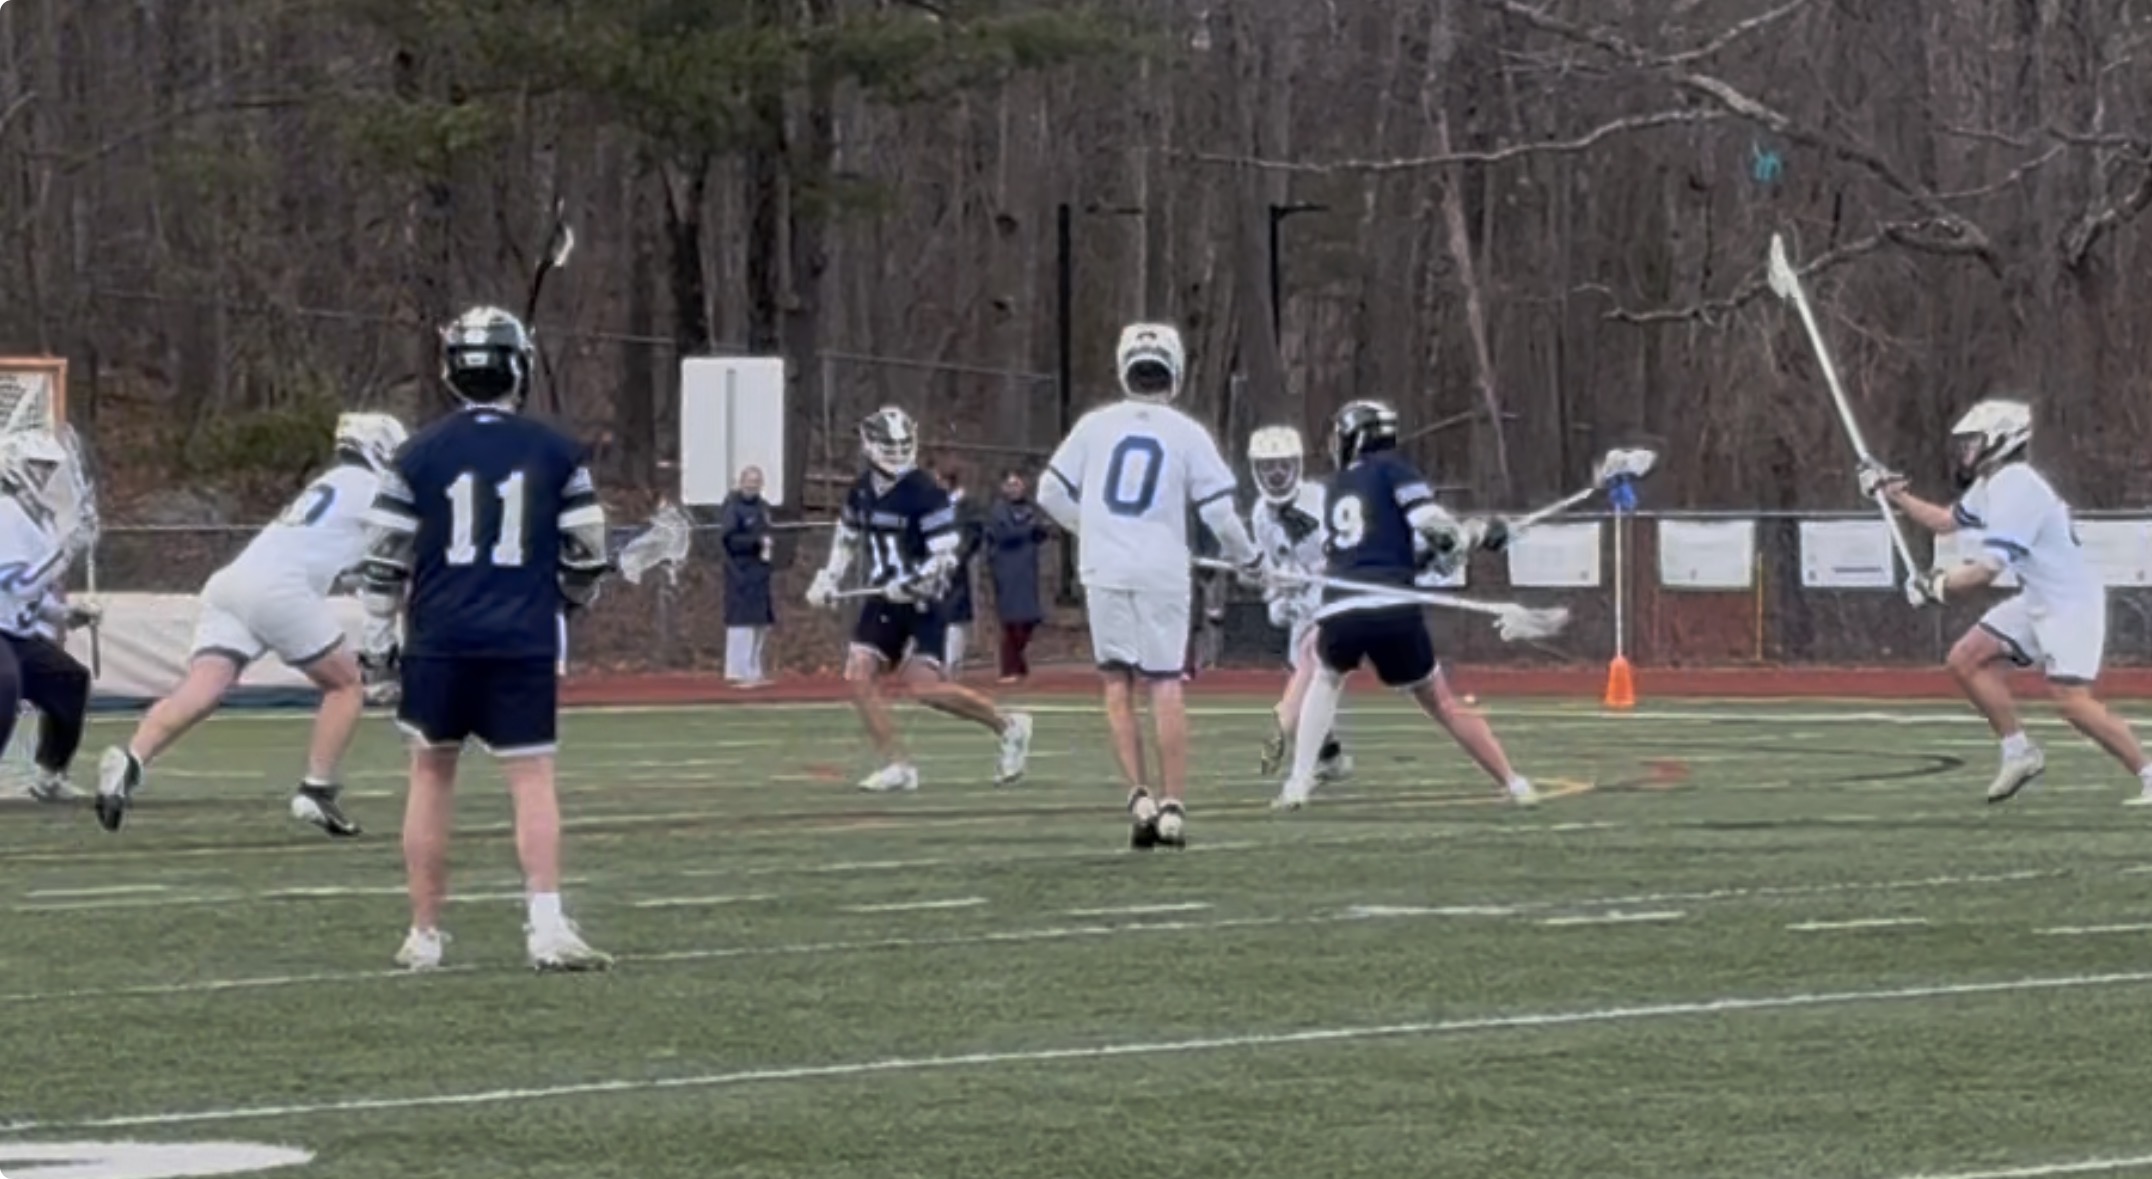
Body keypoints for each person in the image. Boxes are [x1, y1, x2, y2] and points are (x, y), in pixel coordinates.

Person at [360, 304, 612, 972]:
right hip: (520, 638)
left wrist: (377, 644)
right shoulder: (558, 452)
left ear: (452, 371)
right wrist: (564, 602)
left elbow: (382, 560)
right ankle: (546, 924)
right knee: (531, 777)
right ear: (518, 367)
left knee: (429, 775)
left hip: (438, 638)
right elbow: (588, 555)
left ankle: (424, 933)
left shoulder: (415, 453)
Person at [95, 412, 408, 835]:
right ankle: (317, 790)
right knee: (346, 685)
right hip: (279, 588)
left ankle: (132, 757)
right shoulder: (371, 488)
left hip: (231, 583)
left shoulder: (329, 484)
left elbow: (339, 555)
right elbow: (391, 555)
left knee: (203, 688)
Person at [1038, 322, 1269, 849]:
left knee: (1117, 682)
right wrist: (1250, 559)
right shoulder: (1187, 433)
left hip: (1103, 567)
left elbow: (1050, 492)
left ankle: (1138, 797)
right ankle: (1173, 806)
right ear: (1175, 371)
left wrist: (1092, 528)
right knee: (1165, 682)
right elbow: (1220, 514)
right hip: (1162, 569)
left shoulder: (1094, 426)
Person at [1863, 397, 2152, 805]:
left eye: (1973, 442)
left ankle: (2149, 774)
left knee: (2072, 702)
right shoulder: (1992, 484)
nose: (1966, 451)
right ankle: (2019, 752)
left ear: (2001, 440)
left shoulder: (2018, 485)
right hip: (2038, 597)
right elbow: (1946, 521)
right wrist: (1893, 494)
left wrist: (1937, 585)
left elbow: (1987, 569)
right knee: (1965, 659)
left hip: (2070, 604)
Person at [1274, 399, 1536, 810]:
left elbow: (1377, 552)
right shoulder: (1394, 470)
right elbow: (1436, 530)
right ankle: (1514, 782)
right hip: (1391, 606)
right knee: (1442, 702)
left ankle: (1298, 783)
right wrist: (1478, 533)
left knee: (1326, 680)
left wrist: (1439, 551)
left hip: (1340, 606)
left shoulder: (1338, 487)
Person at [804, 406, 1033, 793]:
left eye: (901, 445)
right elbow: (847, 538)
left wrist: (912, 582)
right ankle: (897, 765)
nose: (896, 454)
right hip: (883, 598)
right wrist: (828, 577)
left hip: (924, 599)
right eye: (888, 446)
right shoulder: (861, 490)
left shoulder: (925, 492)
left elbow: (946, 555)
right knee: (859, 673)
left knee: (925, 689)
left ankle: (1009, 724)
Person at [1245, 424, 1349, 783]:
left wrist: (1308, 574)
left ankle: (1284, 731)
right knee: (1311, 679)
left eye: (1283, 465)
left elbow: (1342, 551)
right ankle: (1328, 754)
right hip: (1302, 603)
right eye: (1268, 466)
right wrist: (1277, 592)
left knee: (1311, 668)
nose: (1276, 474)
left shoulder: (1319, 500)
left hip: (1334, 594)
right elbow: (1272, 563)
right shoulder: (1261, 513)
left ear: (1297, 465)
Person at [0, 431, 96, 804]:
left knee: (69, 680)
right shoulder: (5, 513)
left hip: (15, 634)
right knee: (5, 684)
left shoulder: (37, 520)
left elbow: (23, 597)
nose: (43, 474)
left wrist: (62, 613)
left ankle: (50, 775)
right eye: (36, 465)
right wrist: (67, 549)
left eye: (48, 467)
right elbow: (19, 583)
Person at [985, 470, 1048, 683]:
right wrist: (1028, 528)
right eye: (1010, 485)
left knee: (1029, 619)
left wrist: (1038, 530)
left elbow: (1040, 532)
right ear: (1003, 487)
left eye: (1018, 484)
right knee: (1012, 621)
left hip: (1027, 569)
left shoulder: (1030, 508)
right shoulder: (999, 510)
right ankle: (1009, 668)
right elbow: (1005, 534)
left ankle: (1018, 665)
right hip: (1007, 569)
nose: (1014, 489)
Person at [719, 466, 775, 687]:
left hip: (760, 572)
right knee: (741, 622)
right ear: (741, 482)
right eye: (749, 481)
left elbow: (768, 532)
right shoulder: (733, 508)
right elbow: (729, 540)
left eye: (757, 481)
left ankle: (754, 670)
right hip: (740, 571)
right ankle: (737, 671)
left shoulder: (763, 507)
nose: (753, 485)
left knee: (760, 623)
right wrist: (755, 542)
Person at [935, 464, 982, 672]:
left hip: (954, 568)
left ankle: (952, 663)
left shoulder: (964, 507)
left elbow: (971, 536)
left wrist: (956, 557)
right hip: (933, 568)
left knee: (954, 616)